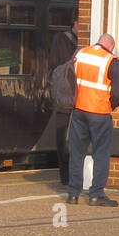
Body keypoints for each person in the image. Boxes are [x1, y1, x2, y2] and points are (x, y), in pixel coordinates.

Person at [66, 32, 119, 207]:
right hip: (99, 112)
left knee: (77, 153)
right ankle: (96, 195)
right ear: (111, 46)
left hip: (78, 110)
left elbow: (69, 78)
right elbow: (118, 93)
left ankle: (73, 194)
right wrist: (111, 106)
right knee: (101, 154)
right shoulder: (111, 61)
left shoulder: (80, 54)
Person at [49, 18, 80, 185]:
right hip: (66, 99)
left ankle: (70, 176)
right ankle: (66, 176)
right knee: (63, 138)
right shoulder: (62, 40)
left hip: (70, 99)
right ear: (75, 23)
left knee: (68, 138)